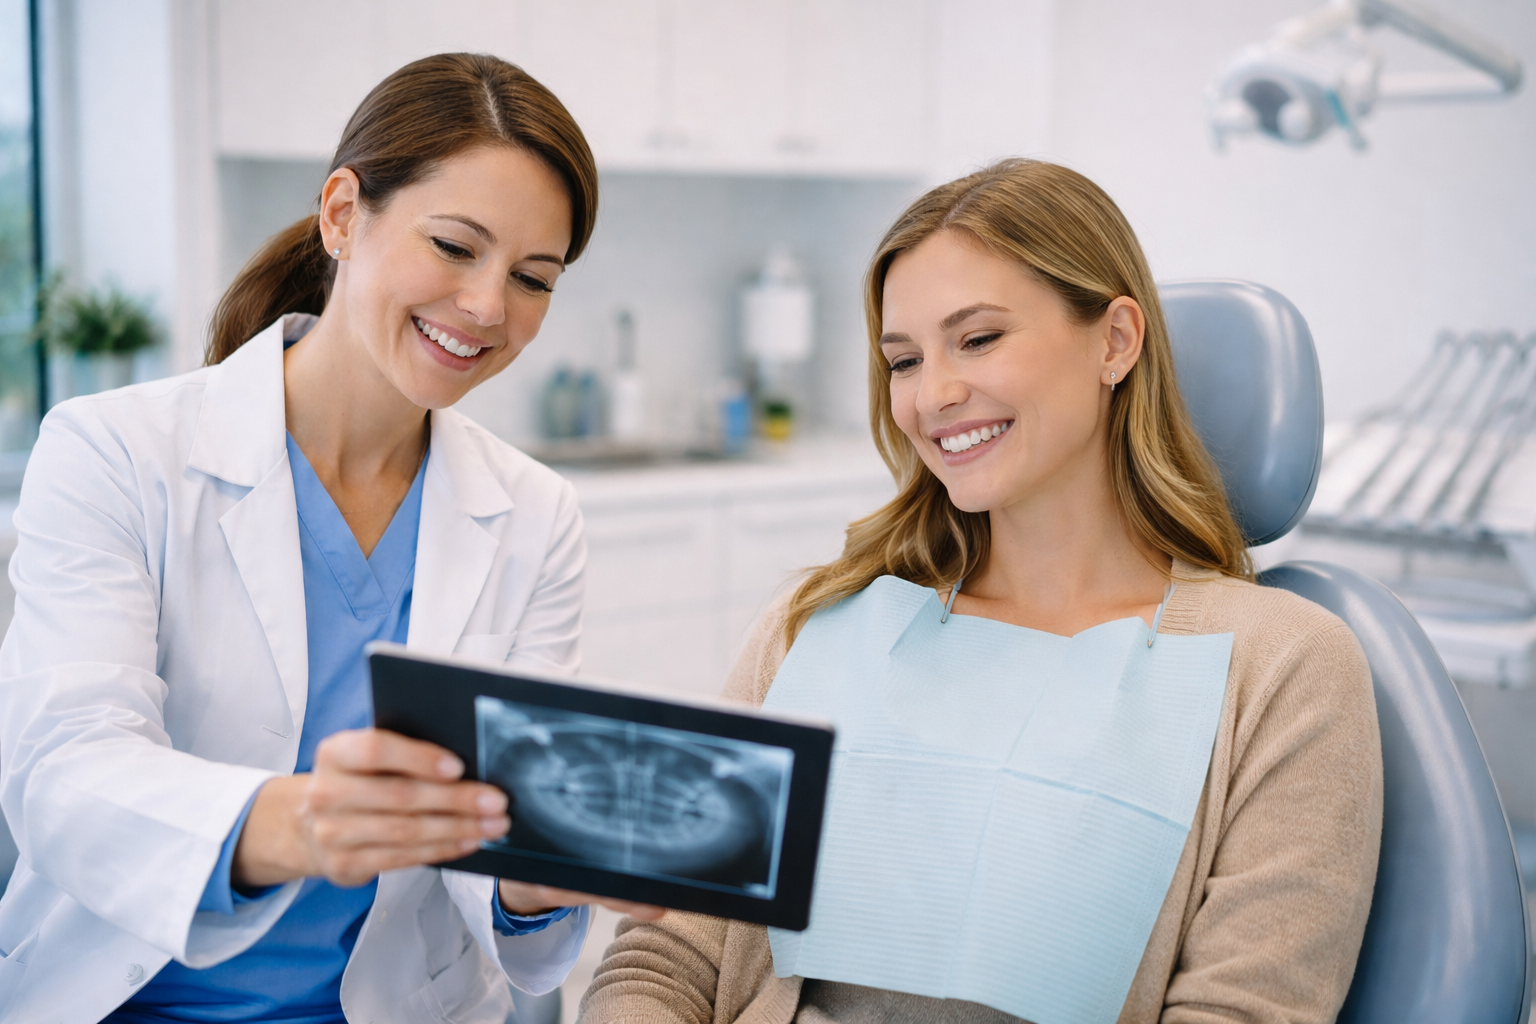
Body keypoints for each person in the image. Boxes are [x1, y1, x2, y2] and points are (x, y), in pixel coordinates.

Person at [579, 160, 1383, 1024]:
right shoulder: (816, 626)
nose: (935, 395)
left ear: (1115, 341)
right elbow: (665, 956)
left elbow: (1244, 1011)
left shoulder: (1283, 670)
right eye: (904, 359)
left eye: (980, 338)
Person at [0, 53, 660, 1024]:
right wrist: (303, 821)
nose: (487, 307)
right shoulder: (112, 452)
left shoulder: (536, 515)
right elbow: (62, 771)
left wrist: (545, 873)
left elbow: (487, 852)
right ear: (343, 213)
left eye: (533, 277)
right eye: (454, 245)